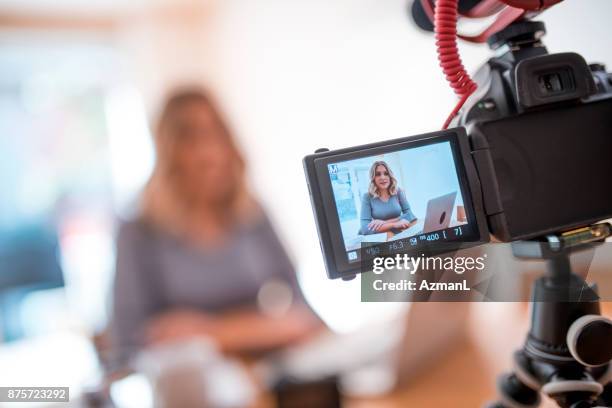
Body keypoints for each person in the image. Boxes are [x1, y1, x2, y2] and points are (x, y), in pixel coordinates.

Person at [111, 88, 320, 364]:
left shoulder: (252, 214)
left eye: (216, 134)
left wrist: (209, 332)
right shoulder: (139, 231)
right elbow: (131, 341)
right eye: (191, 139)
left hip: (262, 374)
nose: (209, 153)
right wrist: (265, 328)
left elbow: (302, 317)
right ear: (167, 150)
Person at [359, 161, 418, 235]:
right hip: (382, 237)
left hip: (400, 233)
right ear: (373, 178)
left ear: (390, 176)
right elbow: (365, 229)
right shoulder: (367, 197)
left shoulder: (398, 191)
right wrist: (394, 224)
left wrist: (384, 223)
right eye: (378, 174)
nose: (383, 177)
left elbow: (410, 215)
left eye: (386, 173)